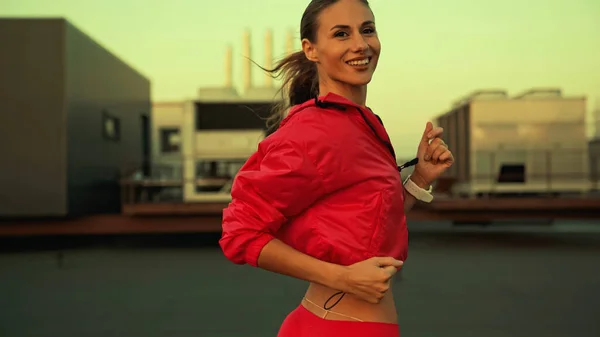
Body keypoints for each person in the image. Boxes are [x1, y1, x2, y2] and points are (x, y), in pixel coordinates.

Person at [219, 0, 454, 336]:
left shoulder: (363, 123)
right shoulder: (312, 132)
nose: (360, 44)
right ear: (311, 49)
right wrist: (342, 277)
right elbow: (240, 233)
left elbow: (371, 226)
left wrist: (419, 179)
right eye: (341, 34)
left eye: (367, 30)